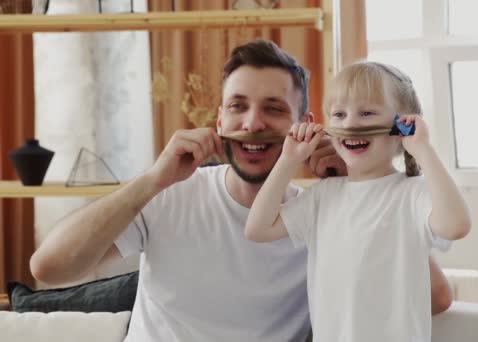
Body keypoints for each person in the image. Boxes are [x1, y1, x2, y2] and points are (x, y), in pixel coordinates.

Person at [29, 40, 453, 342]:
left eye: (274, 108)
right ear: (219, 122)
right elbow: (49, 268)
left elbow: (434, 296)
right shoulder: (170, 193)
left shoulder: (323, 213)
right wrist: (151, 180)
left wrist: (360, 189)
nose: (252, 123)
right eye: (238, 106)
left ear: (303, 126)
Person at [245, 61, 471, 341]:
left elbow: (456, 225)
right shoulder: (322, 196)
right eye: (339, 114)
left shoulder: (413, 194)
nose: (350, 124)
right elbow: (257, 229)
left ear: (401, 127)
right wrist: (288, 160)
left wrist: (422, 149)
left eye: (366, 113)